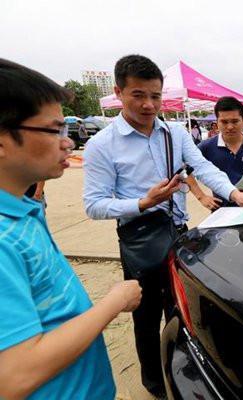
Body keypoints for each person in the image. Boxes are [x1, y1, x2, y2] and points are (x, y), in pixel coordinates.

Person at [82, 55, 243, 398]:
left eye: (155, 96)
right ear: (118, 92)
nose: (148, 104)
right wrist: (141, 203)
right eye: (138, 95)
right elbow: (93, 204)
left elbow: (203, 169)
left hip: (178, 233)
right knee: (146, 317)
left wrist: (235, 193)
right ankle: (153, 381)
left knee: (179, 308)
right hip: (139, 239)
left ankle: (181, 369)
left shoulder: (174, 133)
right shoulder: (102, 145)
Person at [0, 59, 142, 400]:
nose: (68, 143)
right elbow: (14, 376)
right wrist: (113, 302)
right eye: (54, 130)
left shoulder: (23, 209)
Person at [198, 97, 243, 209]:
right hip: (219, 210)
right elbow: (185, 172)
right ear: (216, 123)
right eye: (224, 122)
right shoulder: (206, 147)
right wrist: (201, 197)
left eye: (235, 121)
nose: (230, 127)